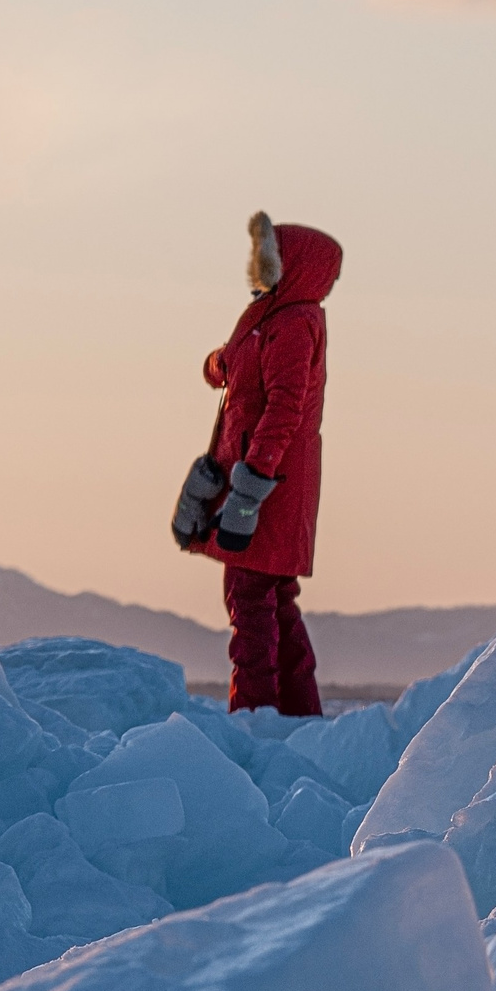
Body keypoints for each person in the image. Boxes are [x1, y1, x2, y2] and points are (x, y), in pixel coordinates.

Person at [171, 212, 343, 716]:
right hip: (259, 474)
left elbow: (285, 407)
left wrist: (254, 481)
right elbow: (228, 365)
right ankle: (298, 716)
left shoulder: (292, 324)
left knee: (249, 596)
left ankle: (254, 715)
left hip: (271, 483)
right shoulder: (272, 317)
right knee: (273, 598)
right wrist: (216, 364)